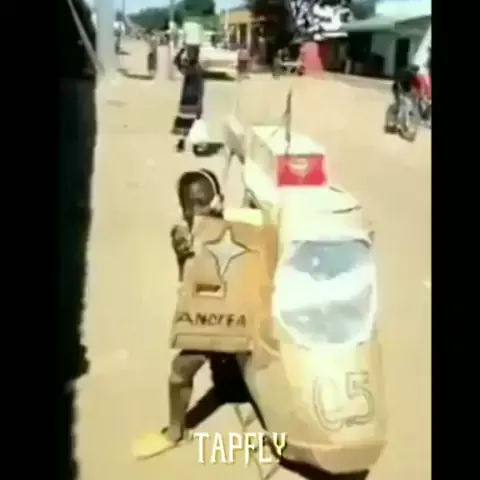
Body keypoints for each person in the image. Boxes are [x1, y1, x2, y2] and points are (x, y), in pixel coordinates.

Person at [132, 169, 238, 460]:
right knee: (187, 370)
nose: (194, 211)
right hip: (210, 316)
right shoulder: (184, 235)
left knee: (182, 371)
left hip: (232, 316)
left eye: (201, 202)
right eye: (188, 204)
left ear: (217, 201)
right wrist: (184, 251)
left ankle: (176, 432)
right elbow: (187, 269)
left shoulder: (234, 232)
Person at [172, 45, 205, 153]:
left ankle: (186, 143)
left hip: (191, 98)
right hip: (189, 98)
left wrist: (182, 51)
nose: (189, 55)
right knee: (189, 122)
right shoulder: (194, 67)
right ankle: (187, 143)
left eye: (191, 53)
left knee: (189, 122)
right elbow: (176, 62)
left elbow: (176, 62)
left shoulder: (193, 68)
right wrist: (182, 50)